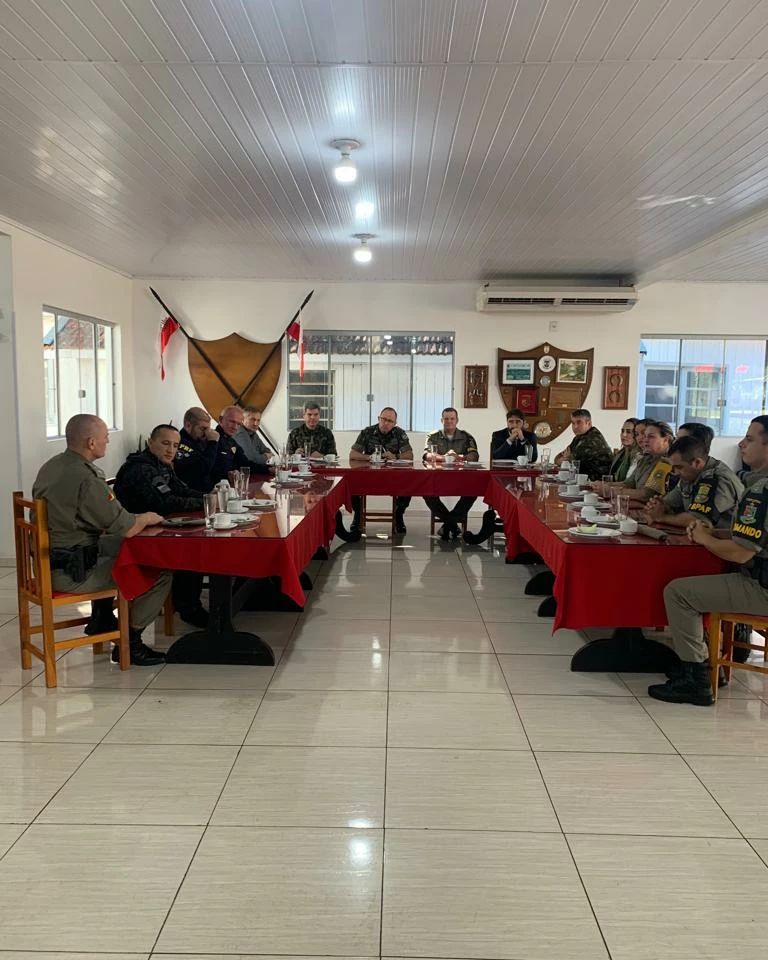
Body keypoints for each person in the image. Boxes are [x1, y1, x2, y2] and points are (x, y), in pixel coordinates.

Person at [648, 415, 768, 706]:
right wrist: (715, 532)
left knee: (678, 592)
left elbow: (741, 552)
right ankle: (708, 663)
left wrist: (704, 538)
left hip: (761, 586)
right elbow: (752, 535)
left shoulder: (760, 490)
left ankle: (696, 679)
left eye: (750, 439)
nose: (741, 444)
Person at [32, 414, 169, 666]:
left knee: (122, 547)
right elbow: (126, 527)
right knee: (158, 567)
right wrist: (147, 517)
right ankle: (131, 640)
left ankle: (103, 618)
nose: (108, 441)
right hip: (73, 572)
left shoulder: (53, 466)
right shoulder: (86, 477)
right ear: (91, 443)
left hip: (51, 559)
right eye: (105, 437)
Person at [114, 424, 208, 629]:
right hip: (136, 538)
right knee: (192, 551)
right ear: (150, 442)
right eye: (165, 443)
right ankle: (189, 608)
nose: (171, 450)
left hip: (156, 530)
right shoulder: (141, 468)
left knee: (195, 543)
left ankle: (187, 605)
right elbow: (165, 502)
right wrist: (208, 503)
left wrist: (209, 497)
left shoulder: (161, 465)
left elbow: (182, 490)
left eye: (175, 445)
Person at [645, 436, 744, 530]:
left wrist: (662, 518)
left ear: (697, 462)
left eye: (679, 467)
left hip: (725, 543)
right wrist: (658, 505)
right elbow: (670, 502)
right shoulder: (689, 474)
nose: (675, 472)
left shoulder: (716, 479)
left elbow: (699, 521)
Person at [349, 407, 413, 534]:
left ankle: (398, 515)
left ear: (395, 423)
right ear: (379, 419)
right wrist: (369, 457)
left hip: (393, 476)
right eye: (383, 419)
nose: (386, 423)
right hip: (369, 476)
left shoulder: (399, 433)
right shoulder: (367, 432)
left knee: (410, 482)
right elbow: (353, 454)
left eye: (390, 421)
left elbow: (410, 455)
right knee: (352, 481)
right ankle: (358, 516)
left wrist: (395, 457)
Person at [423, 407, 480, 540]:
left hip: (461, 478)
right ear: (441, 420)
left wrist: (460, 457)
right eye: (446, 419)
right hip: (438, 477)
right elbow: (426, 455)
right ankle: (452, 524)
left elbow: (474, 455)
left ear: (457, 420)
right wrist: (444, 457)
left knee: (472, 492)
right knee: (426, 493)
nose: (449, 421)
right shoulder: (433, 436)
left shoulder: (466, 436)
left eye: (452, 418)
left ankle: (448, 524)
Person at [619, 419, 674, 502]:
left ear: (666, 440)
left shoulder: (666, 462)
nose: (645, 440)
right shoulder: (646, 458)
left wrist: (610, 491)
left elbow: (646, 495)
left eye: (651, 436)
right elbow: (629, 483)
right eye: (645, 436)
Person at [554, 408, 612, 480]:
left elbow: (572, 463)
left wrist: (565, 460)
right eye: (573, 423)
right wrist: (565, 459)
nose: (575, 426)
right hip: (582, 479)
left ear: (589, 423)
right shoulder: (579, 437)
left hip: (596, 483)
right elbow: (557, 459)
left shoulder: (592, 439)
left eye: (579, 422)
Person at [174, 406, 220, 492]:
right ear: (188, 425)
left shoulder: (200, 439)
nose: (207, 432)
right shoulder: (180, 444)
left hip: (209, 491)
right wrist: (213, 443)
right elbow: (202, 469)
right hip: (192, 495)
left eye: (208, 428)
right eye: (203, 428)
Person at [608, 417, 641, 482]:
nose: (624, 434)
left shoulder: (639, 456)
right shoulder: (620, 453)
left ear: (636, 434)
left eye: (628, 432)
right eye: (622, 431)